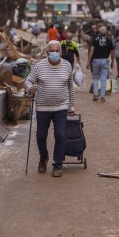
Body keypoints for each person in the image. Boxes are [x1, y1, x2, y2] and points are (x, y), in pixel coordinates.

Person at [25, 40, 76, 178]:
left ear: (61, 52)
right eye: (51, 51)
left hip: (61, 107)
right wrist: (30, 88)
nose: (54, 53)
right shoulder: (39, 66)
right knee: (41, 136)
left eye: (57, 50)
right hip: (42, 107)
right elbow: (28, 80)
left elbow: (71, 86)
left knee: (60, 135)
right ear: (47, 53)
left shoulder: (67, 66)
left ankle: (57, 164)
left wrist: (71, 106)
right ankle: (44, 157)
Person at [87, 26, 114, 102]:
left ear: (99, 32)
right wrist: (112, 61)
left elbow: (91, 50)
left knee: (95, 78)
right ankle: (102, 97)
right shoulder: (109, 40)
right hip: (105, 61)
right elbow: (112, 52)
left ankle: (95, 95)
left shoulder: (95, 40)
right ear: (106, 32)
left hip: (96, 60)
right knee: (103, 79)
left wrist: (88, 61)